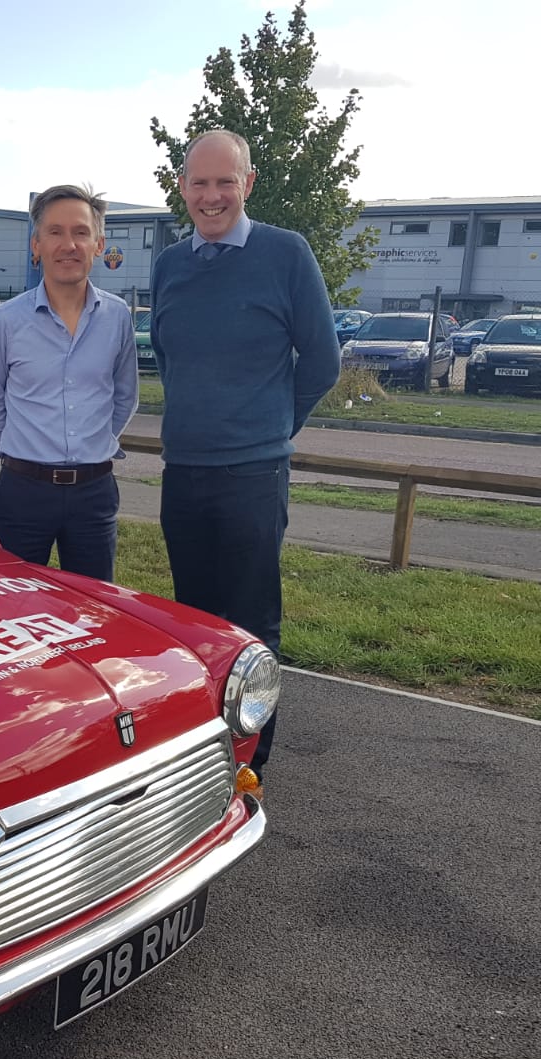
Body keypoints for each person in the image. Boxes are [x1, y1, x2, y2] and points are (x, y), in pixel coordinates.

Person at [150, 130, 341, 778]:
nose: (212, 196)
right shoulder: (171, 264)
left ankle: (248, 769)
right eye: (199, 184)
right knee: (194, 631)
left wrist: (272, 426)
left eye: (224, 182)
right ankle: (202, 763)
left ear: (248, 184)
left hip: (253, 476)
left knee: (251, 631)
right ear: (183, 188)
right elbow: (169, 354)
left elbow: (322, 361)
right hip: (186, 474)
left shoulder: (286, 255)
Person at [0, 184, 138, 582]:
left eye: (81, 232)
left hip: (94, 494)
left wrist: (91, 444)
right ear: (36, 244)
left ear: (98, 244)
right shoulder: (6, 321)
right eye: (56, 232)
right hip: (23, 492)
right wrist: (20, 451)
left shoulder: (118, 318)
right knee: (12, 611)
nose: (69, 244)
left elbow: (124, 396)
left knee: (95, 611)